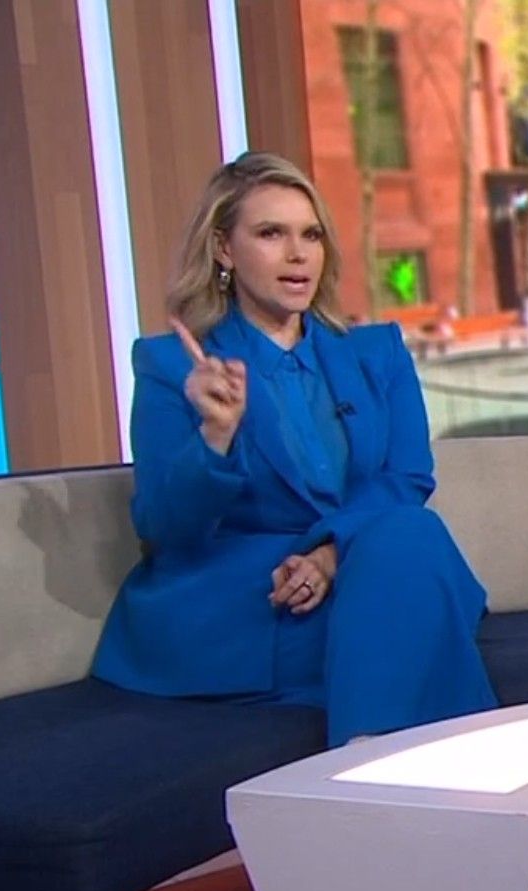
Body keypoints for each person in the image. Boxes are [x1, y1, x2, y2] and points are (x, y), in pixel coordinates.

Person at [91, 152, 497, 747]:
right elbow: (165, 527)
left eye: (311, 235)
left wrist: (330, 554)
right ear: (224, 249)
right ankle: (415, 773)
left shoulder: (377, 352)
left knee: (409, 535)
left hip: (354, 574)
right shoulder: (172, 364)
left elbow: (407, 476)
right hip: (252, 604)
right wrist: (215, 437)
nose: (298, 254)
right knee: (417, 602)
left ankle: (363, 767)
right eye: (270, 234)